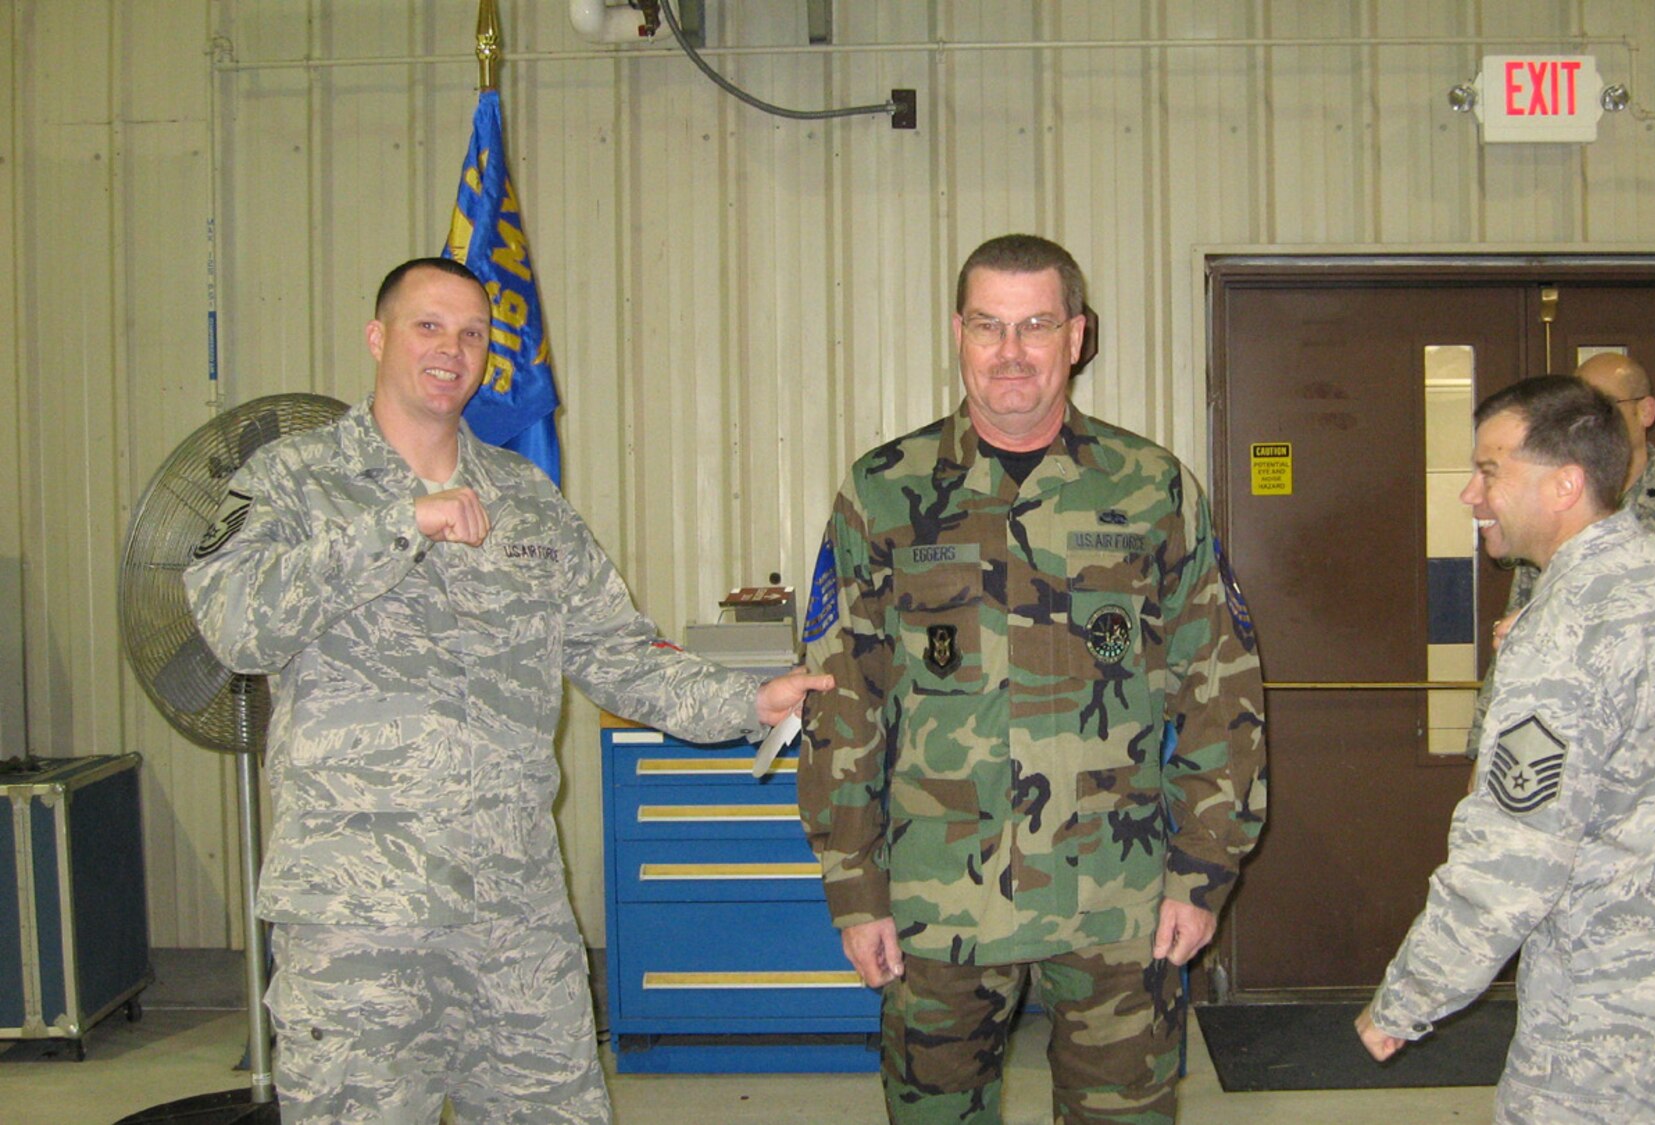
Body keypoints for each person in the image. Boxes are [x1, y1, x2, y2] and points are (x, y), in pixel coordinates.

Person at [184, 256, 830, 1124]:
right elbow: (236, 625)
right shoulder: (292, 479)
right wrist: (401, 525)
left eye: (473, 333)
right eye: (428, 325)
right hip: (359, 923)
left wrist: (748, 702)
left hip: (512, 913)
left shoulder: (526, 499)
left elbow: (618, 652)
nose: (452, 349)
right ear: (377, 337)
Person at [796, 234, 1268, 1124]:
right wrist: (853, 887)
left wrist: (1202, 870)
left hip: (1119, 899)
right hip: (937, 899)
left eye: (1037, 325)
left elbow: (1222, 687)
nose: (1011, 351)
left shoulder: (1151, 487)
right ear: (959, 333)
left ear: (1076, 336)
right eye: (989, 325)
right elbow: (841, 699)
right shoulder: (884, 491)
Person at [1357, 375, 1655, 1123]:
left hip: (1604, 1038)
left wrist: (1410, 997)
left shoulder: (1562, 630)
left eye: (1490, 471)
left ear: (1566, 484)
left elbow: (1514, 859)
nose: (1471, 494)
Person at [1464, 352, 1655, 756]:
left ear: (1646, 411)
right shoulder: (1544, 500)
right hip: (1540, 708)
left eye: (1603, 403)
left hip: (1647, 740)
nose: (1586, 416)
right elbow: (1526, 601)